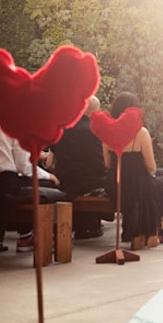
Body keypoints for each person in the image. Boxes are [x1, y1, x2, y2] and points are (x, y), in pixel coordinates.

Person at [0, 108, 60, 253]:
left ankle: (2, 236)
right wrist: (50, 176)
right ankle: (28, 234)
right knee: (51, 186)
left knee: (29, 184)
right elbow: (23, 166)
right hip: (4, 185)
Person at [102, 92, 163, 243]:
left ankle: (161, 223)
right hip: (137, 183)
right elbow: (151, 167)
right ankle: (161, 222)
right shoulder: (141, 132)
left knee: (157, 181)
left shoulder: (107, 131)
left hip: (115, 184)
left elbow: (107, 164)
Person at [47, 96, 108, 239]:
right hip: (88, 184)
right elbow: (100, 164)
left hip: (64, 182)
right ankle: (90, 226)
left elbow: (49, 163)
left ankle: (85, 224)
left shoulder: (61, 128)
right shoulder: (94, 131)